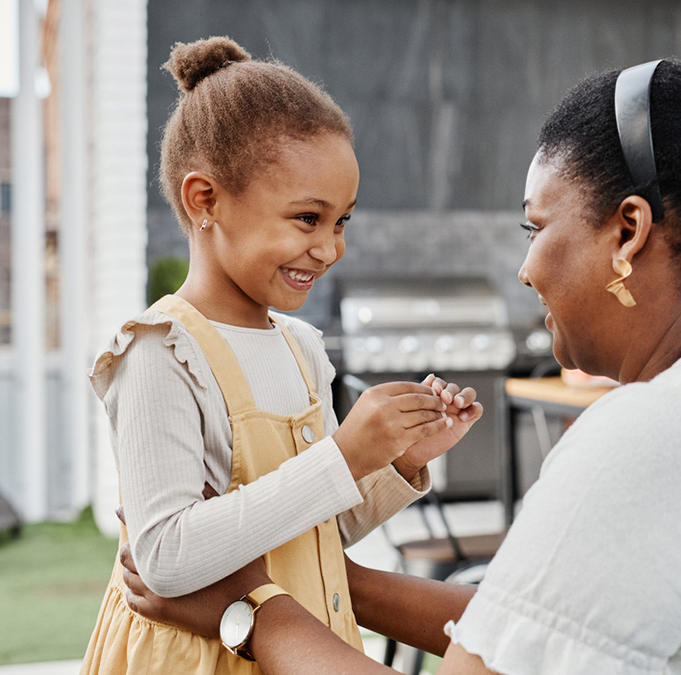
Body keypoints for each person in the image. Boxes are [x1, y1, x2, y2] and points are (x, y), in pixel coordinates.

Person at [118, 57, 681, 674]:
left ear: (627, 232)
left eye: (534, 228)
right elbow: (529, 624)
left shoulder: (660, 434)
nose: (524, 269)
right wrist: (334, 581)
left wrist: (250, 611)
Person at [81, 37, 483, 674]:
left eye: (342, 221)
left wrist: (397, 462)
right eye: (306, 218)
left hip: (299, 647)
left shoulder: (301, 349)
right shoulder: (161, 352)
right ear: (204, 200)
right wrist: (346, 454)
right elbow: (164, 561)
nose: (330, 248)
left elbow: (317, 533)